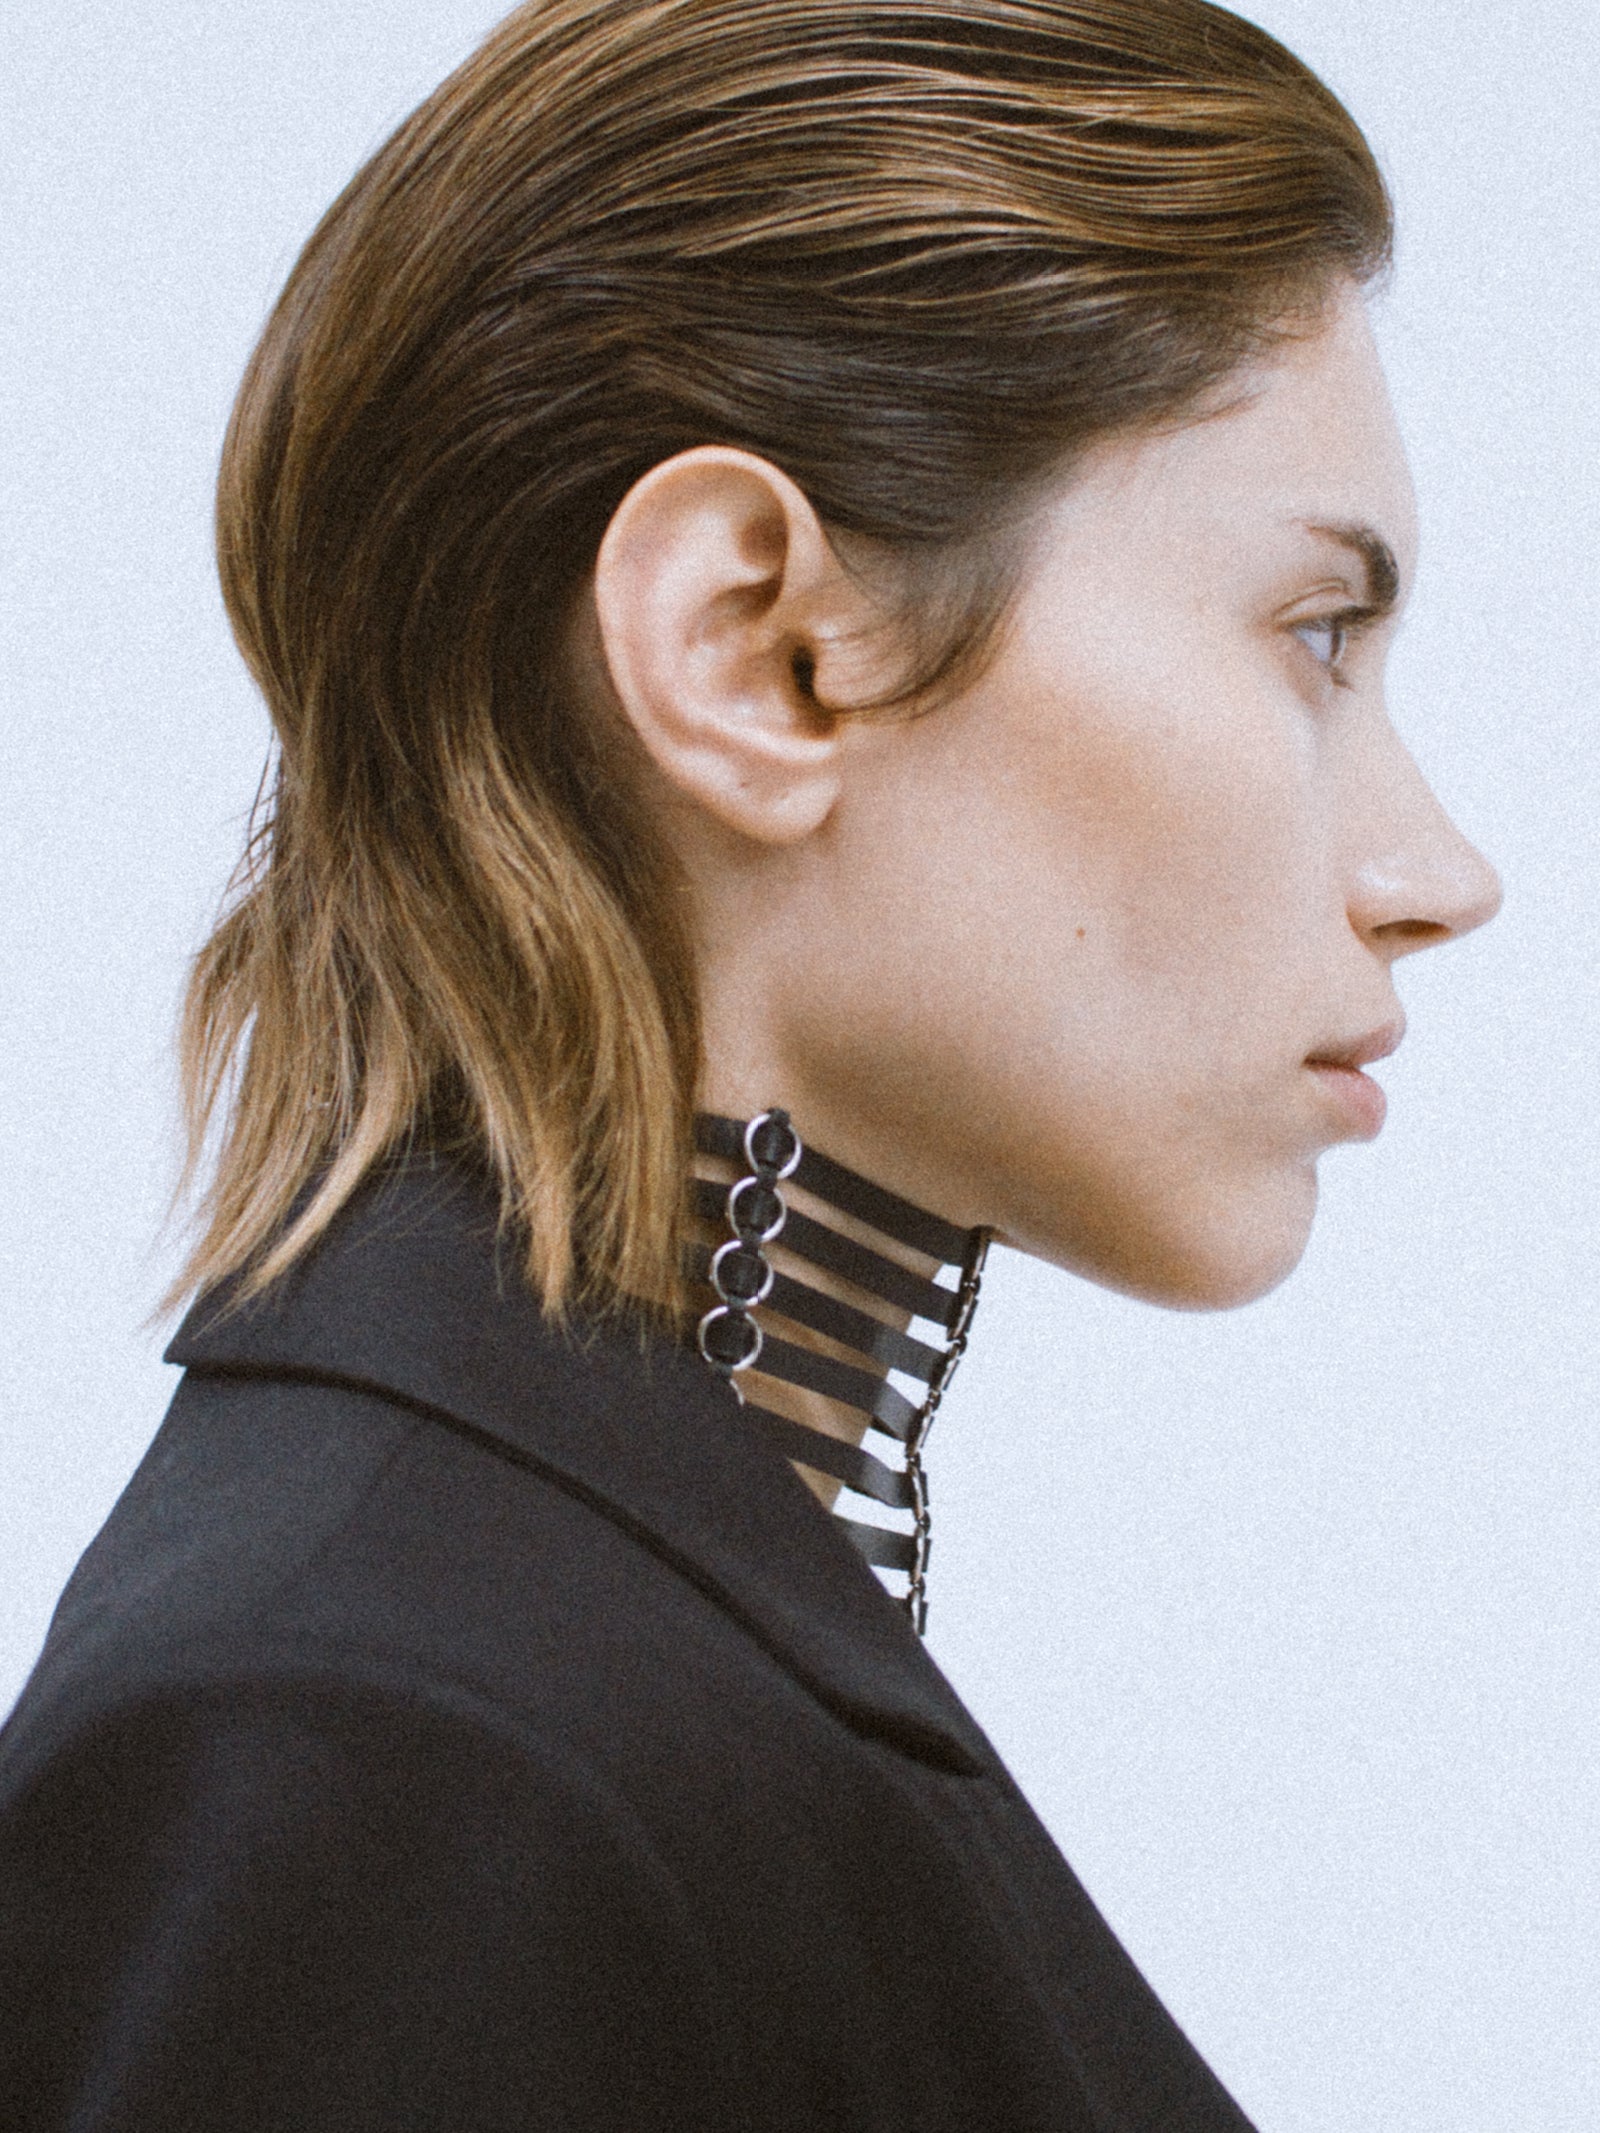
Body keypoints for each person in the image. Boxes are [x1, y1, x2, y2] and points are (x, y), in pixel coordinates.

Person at [0, 0, 1500, 2125]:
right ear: (753, 652)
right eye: (1314, 635)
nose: (1437, 872)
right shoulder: (389, 1755)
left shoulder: (538, 1679)